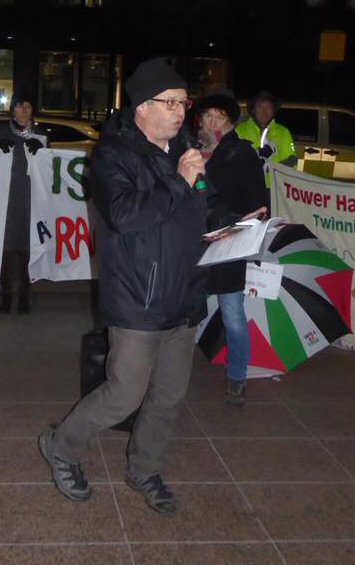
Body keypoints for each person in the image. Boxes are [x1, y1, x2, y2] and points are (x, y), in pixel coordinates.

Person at [38, 57, 207, 515]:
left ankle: (144, 468)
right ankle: (62, 445)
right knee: (124, 393)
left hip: (184, 295)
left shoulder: (185, 151)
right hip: (138, 298)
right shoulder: (113, 155)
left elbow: (193, 217)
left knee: (168, 396)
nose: (179, 111)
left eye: (183, 102)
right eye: (169, 102)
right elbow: (127, 215)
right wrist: (179, 181)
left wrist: (233, 227)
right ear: (141, 108)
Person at [195, 90, 268, 405]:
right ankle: (171, 372)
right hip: (194, 244)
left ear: (228, 122)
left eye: (218, 117)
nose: (211, 122)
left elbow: (259, 205)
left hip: (228, 243)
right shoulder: (193, 151)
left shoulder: (241, 153)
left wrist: (235, 230)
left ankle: (237, 376)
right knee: (183, 312)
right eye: (207, 116)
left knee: (232, 313)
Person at [0, 90, 48, 314]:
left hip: (31, 203)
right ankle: (6, 295)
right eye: (20, 106)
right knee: (7, 250)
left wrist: (43, 151)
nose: (24, 111)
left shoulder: (39, 136)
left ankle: (26, 297)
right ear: (13, 110)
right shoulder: (2, 133)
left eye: (28, 106)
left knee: (28, 251)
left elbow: (50, 172)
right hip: (7, 203)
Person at [236, 90, 297, 191]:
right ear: (253, 110)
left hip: (275, 189)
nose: (264, 112)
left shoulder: (283, 132)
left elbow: (292, 160)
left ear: (274, 111)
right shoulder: (239, 131)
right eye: (260, 107)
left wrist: (270, 168)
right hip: (246, 188)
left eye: (268, 108)